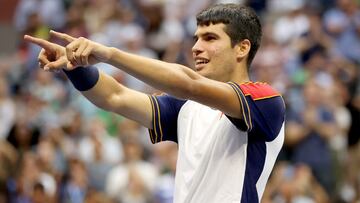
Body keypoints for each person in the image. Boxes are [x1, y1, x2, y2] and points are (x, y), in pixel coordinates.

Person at [24, 4, 285, 203]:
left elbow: (187, 83)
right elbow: (115, 96)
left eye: (210, 38)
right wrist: (75, 67)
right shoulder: (186, 107)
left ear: (242, 48)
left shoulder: (265, 100)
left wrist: (108, 54)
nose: (196, 47)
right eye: (196, 38)